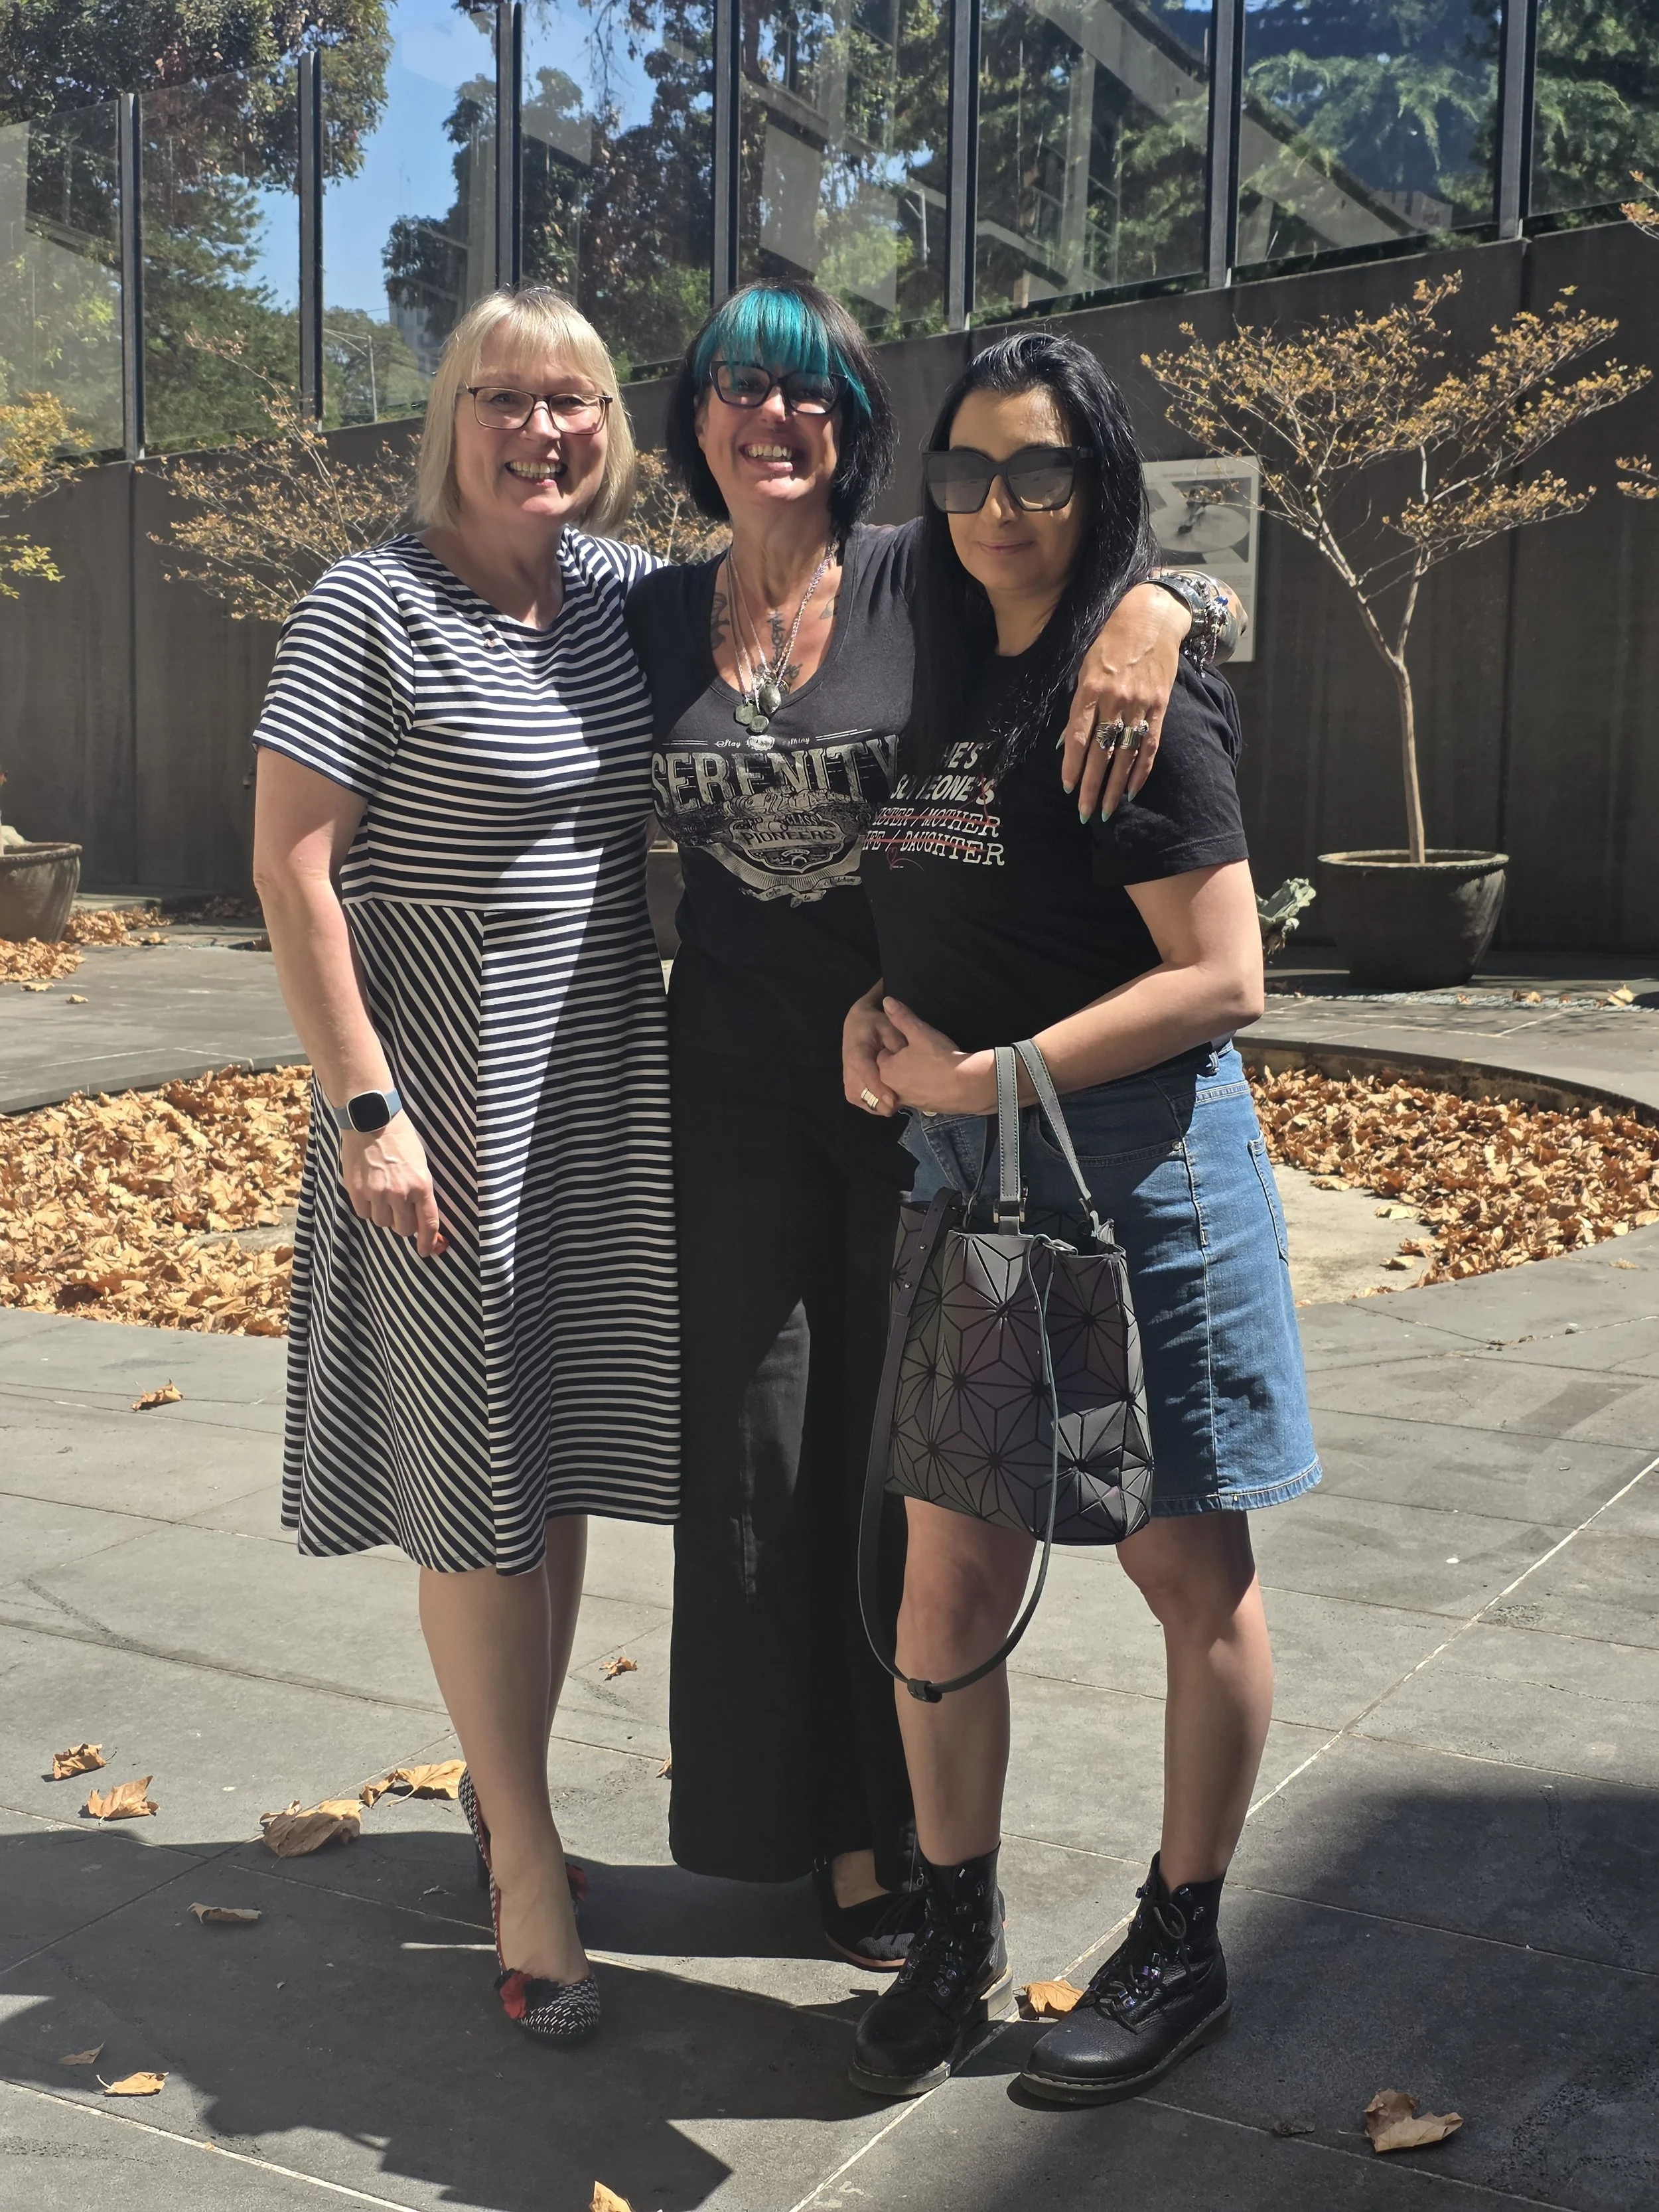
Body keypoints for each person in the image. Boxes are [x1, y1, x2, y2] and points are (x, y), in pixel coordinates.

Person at [624, 281, 1242, 1970]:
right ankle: (796, 1821)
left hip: (921, 1074)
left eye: (809, 391)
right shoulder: (651, 609)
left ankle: (902, 1846)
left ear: (853, 425)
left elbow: (1109, 560)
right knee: (758, 1451)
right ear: (691, 419)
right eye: (737, 386)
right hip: (735, 1083)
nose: (772, 417)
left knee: (906, 1466)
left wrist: (1167, 606)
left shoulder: (922, 564)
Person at [844, 329, 1319, 2100]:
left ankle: (1180, 1937)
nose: (998, 504)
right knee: (948, 1581)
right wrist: (880, 1007)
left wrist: (997, 1073)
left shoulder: (1138, 691)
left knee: (1183, 1569)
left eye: (1036, 468)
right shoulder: (945, 667)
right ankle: (952, 1925)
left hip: (1136, 1178)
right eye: (966, 469)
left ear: (1094, 477)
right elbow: (952, 897)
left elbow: (1224, 976)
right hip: (967, 1181)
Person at [252, 287, 676, 2050]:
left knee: (549, 1453)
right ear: (450, 417)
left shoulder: (624, 596)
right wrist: (369, 1108)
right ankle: (524, 1866)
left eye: (573, 401)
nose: (540, 430)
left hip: (594, 1079)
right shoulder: (368, 603)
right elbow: (293, 867)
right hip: (436, 1091)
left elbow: (838, 605)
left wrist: (1162, 599)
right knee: (480, 1486)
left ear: (610, 426)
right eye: (505, 398)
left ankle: (516, 1802)